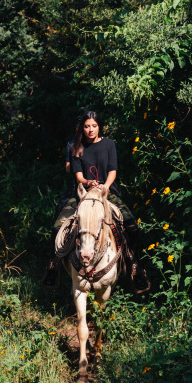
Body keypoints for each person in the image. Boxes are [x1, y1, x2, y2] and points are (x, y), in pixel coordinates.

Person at [42, 110, 150, 293]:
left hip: (107, 192)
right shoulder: (76, 146)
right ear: (81, 128)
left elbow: (112, 170)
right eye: (86, 126)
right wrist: (87, 182)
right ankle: (55, 265)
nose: (90, 130)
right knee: (57, 228)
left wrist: (106, 186)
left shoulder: (109, 144)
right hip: (81, 193)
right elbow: (78, 175)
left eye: (94, 126)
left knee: (132, 227)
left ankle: (134, 266)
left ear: (99, 126)